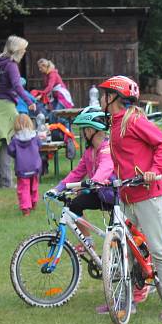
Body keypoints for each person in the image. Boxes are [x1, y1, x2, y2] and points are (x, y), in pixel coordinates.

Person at [98, 75, 162, 321]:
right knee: (127, 248)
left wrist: (156, 170)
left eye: (103, 94)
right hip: (126, 193)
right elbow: (120, 159)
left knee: (157, 247)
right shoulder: (113, 123)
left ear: (114, 97)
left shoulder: (133, 120)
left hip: (147, 192)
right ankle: (128, 298)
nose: (101, 98)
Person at [49, 107, 116, 251]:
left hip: (117, 196)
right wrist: (57, 189)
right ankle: (88, 241)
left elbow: (105, 168)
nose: (84, 133)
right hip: (100, 194)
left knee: (119, 236)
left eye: (84, 129)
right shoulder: (89, 152)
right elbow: (76, 173)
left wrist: (94, 181)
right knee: (74, 205)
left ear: (91, 130)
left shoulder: (107, 148)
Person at [0, 35, 37, 189]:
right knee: (11, 140)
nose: (25, 51)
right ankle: (6, 181)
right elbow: (17, 85)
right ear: (17, 50)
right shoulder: (11, 65)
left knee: (6, 142)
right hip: (5, 106)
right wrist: (29, 102)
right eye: (23, 48)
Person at [7, 114, 42, 216]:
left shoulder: (15, 139)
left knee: (24, 188)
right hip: (35, 166)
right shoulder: (34, 136)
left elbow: (10, 151)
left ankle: (26, 208)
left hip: (22, 168)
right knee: (34, 185)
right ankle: (34, 202)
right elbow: (40, 145)